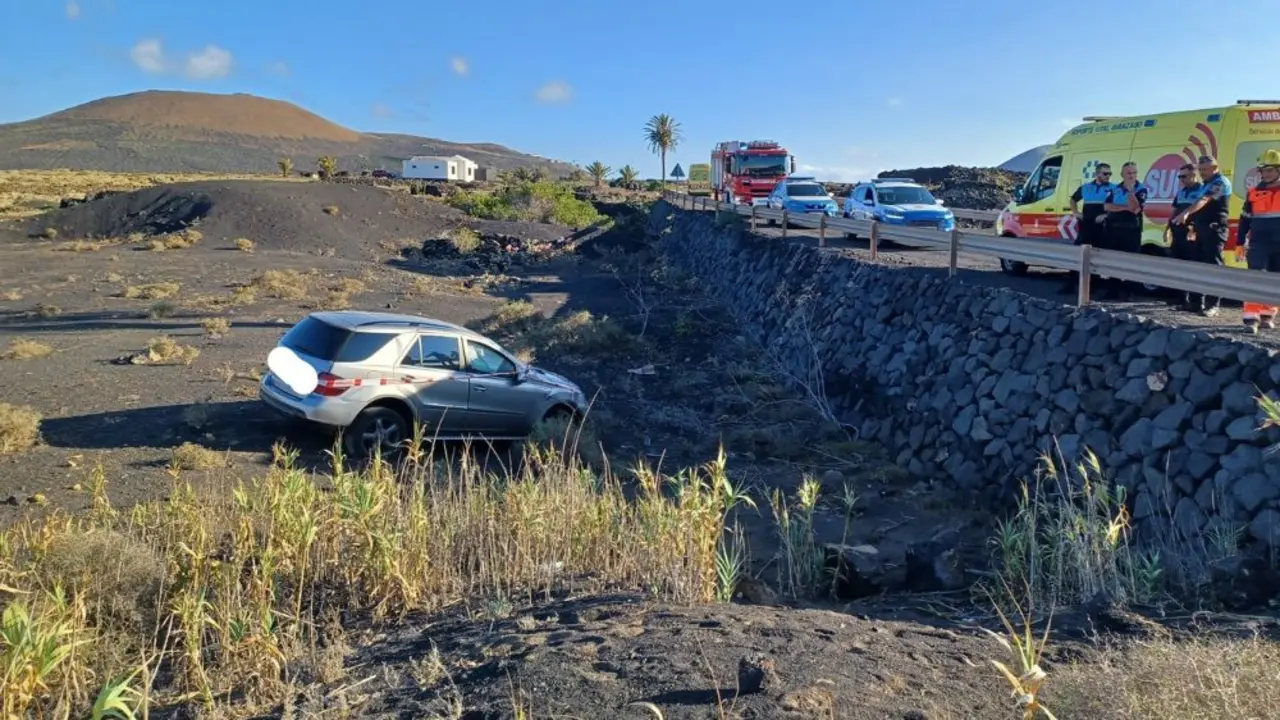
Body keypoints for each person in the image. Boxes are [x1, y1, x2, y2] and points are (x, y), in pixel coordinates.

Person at [1172, 155, 1232, 316]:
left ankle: (1213, 305)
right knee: (1197, 266)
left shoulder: (1220, 182)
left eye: (1205, 169)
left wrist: (1185, 213)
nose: (1202, 173)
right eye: (1200, 170)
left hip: (1215, 230)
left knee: (1213, 268)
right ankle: (1195, 302)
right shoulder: (1207, 183)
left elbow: (1204, 200)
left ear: (1215, 168)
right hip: (1201, 230)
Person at [1240, 148, 1280, 333]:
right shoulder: (1253, 193)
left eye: (1270, 170)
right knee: (1254, 277)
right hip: (1259, 242)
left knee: (1274, 279)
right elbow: (1245, 219)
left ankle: (1267, 316)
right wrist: (1240, 242)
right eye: (1263, 170)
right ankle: (1250, 319)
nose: (1266, 173)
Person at [1061, 162, 1115, 294]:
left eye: (1110, 173)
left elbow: (1119, 206)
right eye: (1105, 173)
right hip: (1086, 227)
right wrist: (1076, 212)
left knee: (1099, 258)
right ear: (1097, 174)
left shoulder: (1114, 188)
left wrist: (1106, 215)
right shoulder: (1086, 187)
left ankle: (1094, 288)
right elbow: (1073, 199)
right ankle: (1070, 286)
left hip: (1103, 228)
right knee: (1078, 255)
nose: (1108, 176)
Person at [1100, 161, 1148, 301]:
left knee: (1131, 261)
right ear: (1122, 174)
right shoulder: (1115, 188)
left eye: (1134, 173)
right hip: (1113, 229)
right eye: (1128, 173)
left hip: (1131, 230)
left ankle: (1129, 292)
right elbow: (1107, 206)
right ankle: (1112, 290)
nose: (1131, 176)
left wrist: (1131, 192)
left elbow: (1136, 208)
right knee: (1113, 260)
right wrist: (1125, 207)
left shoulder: (1141, 189)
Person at [1167, 164, 1204, 310]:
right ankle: (1181, 298)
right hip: (1178, 232)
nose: (1181, 179)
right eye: (1180, 176)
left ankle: (1197, 300)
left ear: (1194, 175)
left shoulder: (1201, 190)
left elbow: (1201, 210)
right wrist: (1168, 227)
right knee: (1178, 264)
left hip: (1192, 232)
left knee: (1193, 265)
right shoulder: (1181, 191)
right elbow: (1175, 210)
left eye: (1184, 176)